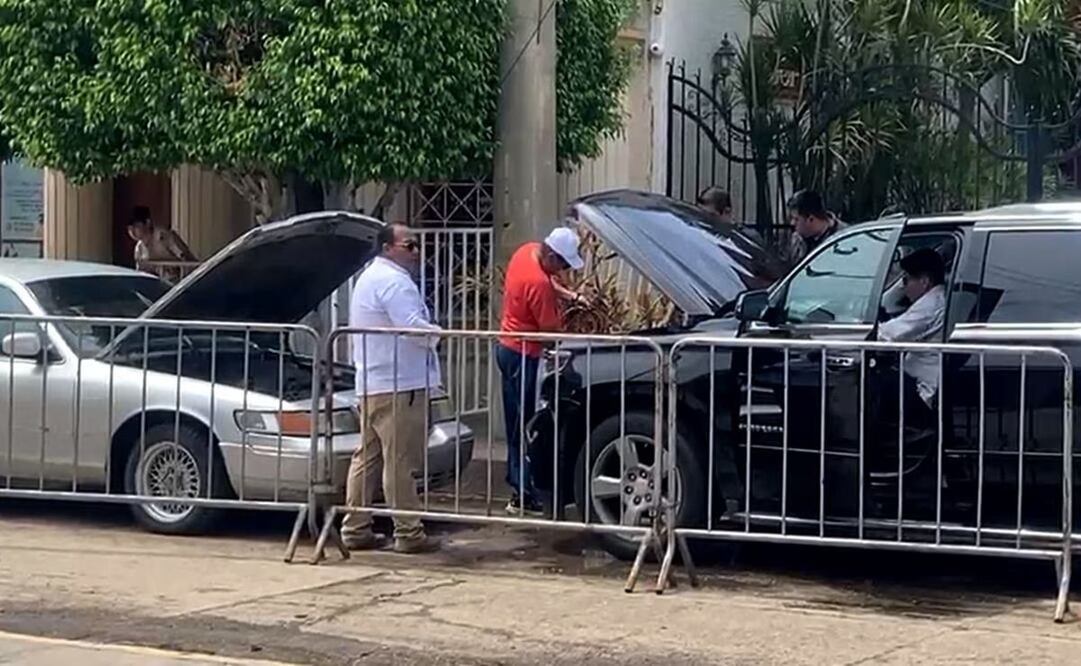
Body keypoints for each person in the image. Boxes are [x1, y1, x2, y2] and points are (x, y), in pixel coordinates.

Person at [343, 223, 442, 553]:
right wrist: (439, 334)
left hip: (375, 381)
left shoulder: (372, 277)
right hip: (399, 383)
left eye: (416, 246)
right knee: (399, 460)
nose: (416, 252)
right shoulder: (392, 281)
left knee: (368, 457)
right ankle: (408, 531)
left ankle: (356, 528)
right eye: (409, 246)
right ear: (388, 248)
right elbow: (411, 326)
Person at [498, 227, 585, 515]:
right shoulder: (537, 283)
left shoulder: (527, 251)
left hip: (509, 348)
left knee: (516, 421)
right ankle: (523, 492)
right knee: (525, 423)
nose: (562, 270)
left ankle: (519, 485)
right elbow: (550, 331)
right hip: (524, 355)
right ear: (549, 254)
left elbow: (550, 282)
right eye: (561, 263)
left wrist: (570, 296)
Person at [877, 248, 948, 433]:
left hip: (921, 390)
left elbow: (888, 335)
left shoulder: (932, 304)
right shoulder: (936, 298)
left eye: (906, 280)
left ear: (924, 281)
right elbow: (888, 302)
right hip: (916, 381)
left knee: (872, 384)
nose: (904, 286)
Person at [127, 207, 198, 282]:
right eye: (129, 228)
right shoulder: (139, 248)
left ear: (147, 223)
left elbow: (187, 259)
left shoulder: (164, 236)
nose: (132, 231)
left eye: (136, 226)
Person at [784, 190, 846, 267]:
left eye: (796, 219)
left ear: (811, 219)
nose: (792, 223)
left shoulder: (845, 237)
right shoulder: (797, 239)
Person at [698, 187, 763, 245]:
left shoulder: (747, 238)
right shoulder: (701, 235)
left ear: (727, 211)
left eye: (712, 215)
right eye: (701, 215)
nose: (705, 219)